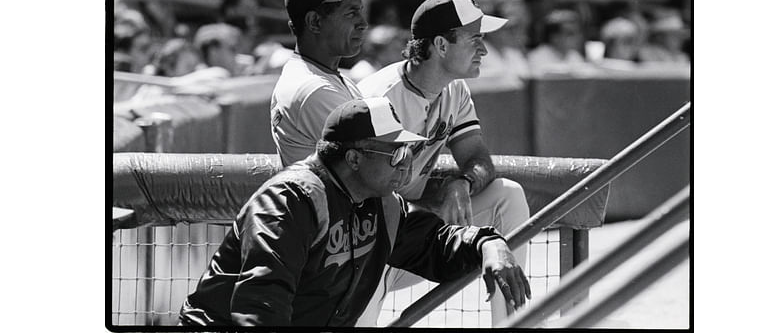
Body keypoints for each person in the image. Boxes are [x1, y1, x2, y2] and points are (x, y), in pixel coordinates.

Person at [179, 97, 530, 326]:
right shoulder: (289, 202)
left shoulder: (381, 202)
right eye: (395, 154)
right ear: (354, 158)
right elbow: (260, 308)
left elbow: (435, 245)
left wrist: (489, 244)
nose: (405, 165)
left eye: (406, 153)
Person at [356, 0, 531, 326]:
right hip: (364, 248)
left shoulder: (455, 89)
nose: (483, 48)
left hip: (412, 238)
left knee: (507, 195)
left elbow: (477, 157)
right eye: (473, 39)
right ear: (440, 45)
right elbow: (364, 197)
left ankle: (510, 323)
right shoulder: (379, 101)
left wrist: (461, 182)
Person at [270, 0, 377, 167]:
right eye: (351, 13)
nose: (363, 23)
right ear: (315, 22)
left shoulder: (327, 76)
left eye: (361, 11)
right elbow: (374, 168)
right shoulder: (314, 89)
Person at [527, 9, 586, 73]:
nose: (578, 37)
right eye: (570, 33)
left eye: (578, 33)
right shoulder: (537, 57)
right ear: (554, 37)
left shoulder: (574, 56)